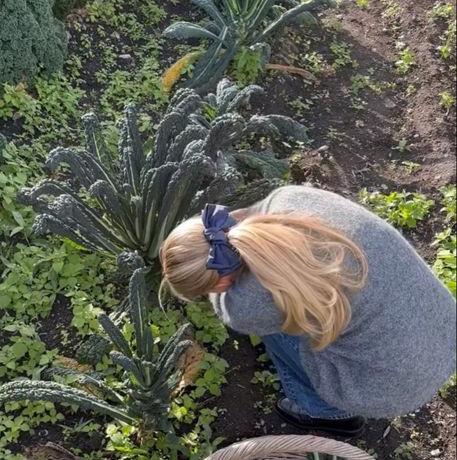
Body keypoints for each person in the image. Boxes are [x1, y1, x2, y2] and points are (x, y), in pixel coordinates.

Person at [160, 184, 457, 438]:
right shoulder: (287, 198)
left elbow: (227, 310)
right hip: (443, 325)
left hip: (394, 385)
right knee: (303, 306)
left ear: (223, 281)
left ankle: (326, 413)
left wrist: (217, 288)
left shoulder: (248, 302)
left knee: (281, 327)